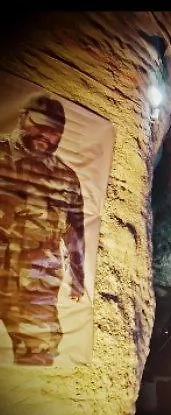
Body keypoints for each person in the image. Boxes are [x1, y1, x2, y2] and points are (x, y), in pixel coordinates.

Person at [0, 94, 85, 366]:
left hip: (35, 288)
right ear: (23, 118)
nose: (46, 135)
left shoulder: (67, 178)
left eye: (54, 131)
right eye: (39, 125)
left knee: (38, 361)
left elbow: (75, 232)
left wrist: (78, 277)